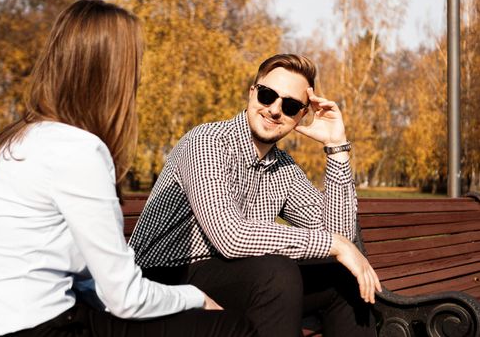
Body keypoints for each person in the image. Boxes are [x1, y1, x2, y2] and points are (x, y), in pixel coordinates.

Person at [0, 0, 257, 337]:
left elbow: (94, 282)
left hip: (5, 327)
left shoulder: (22, 139)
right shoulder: (77, 149)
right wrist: (195, 297)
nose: (139, 78)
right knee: (231, 329)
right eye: (135, 65)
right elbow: (125, 298)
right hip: (41, 329)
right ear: (112, 74)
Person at [130, 54, 382, 337]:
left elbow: (340, 236)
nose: (275, 110)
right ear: (252, 93)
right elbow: (230, 236)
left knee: (344, 277)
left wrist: (336, 149)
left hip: (236, 277)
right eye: (267, 95)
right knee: (276, 273)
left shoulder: (284, 168)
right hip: (163, 278)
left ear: (301, 115)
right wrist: (335, 244)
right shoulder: (207, 142)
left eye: (289, 105)